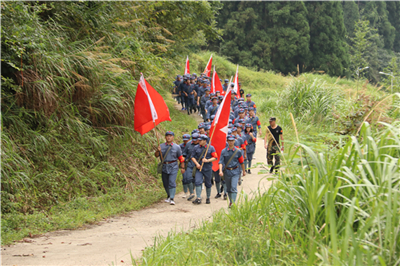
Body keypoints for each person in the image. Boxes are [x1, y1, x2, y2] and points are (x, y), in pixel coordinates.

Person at [155, 131, 185, 205]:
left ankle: (172, 198)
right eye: (167, 136)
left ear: (173, 137)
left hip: (173, 166)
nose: (169, 137)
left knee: (172, 182)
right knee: (165, 183)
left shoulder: (177, 147)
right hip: (164, 166)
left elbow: (180, 157)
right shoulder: (161, 146)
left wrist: (182, 167)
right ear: (165, 137)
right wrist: (158, 150)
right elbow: (156, 155)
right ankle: (168, 195)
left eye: (170, 136)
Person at [219, 135, 246, 207]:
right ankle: (231, 202)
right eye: (229, 140)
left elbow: (241, 162)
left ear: (234, 141)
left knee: (234, 187)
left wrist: (244, 171)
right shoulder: (223, 151)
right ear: (227, 141)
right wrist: (220, 170)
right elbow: (221, 162)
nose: (231, 142)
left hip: (236, 171)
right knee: (229, 188)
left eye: (232, 140)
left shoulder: (238, 151)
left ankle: (233, 203)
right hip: (227, 171)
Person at [190, 135, 218, 204]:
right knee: (197, 182)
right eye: (198, 140)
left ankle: (208, 197)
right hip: (199, 168)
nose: (199, 141)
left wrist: (207, 160)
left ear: (205, 141)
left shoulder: (210, 148)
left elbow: (215, 157)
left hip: (207, 168)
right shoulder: (196, 147)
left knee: (208, 183)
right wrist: (197, 164)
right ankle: (198, 197)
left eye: (200, 140)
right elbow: (192, 157)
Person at [182, 133, 199, 200]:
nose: (194, 141)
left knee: (195, 179)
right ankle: (191, 193)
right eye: (193, 140)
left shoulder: (201, 145)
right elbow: (184, 153)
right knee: (188, 178)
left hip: (197, 164)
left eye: (196, 140)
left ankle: (194, 190)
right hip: (189, 163)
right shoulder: (188, 144)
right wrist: (182, 162)